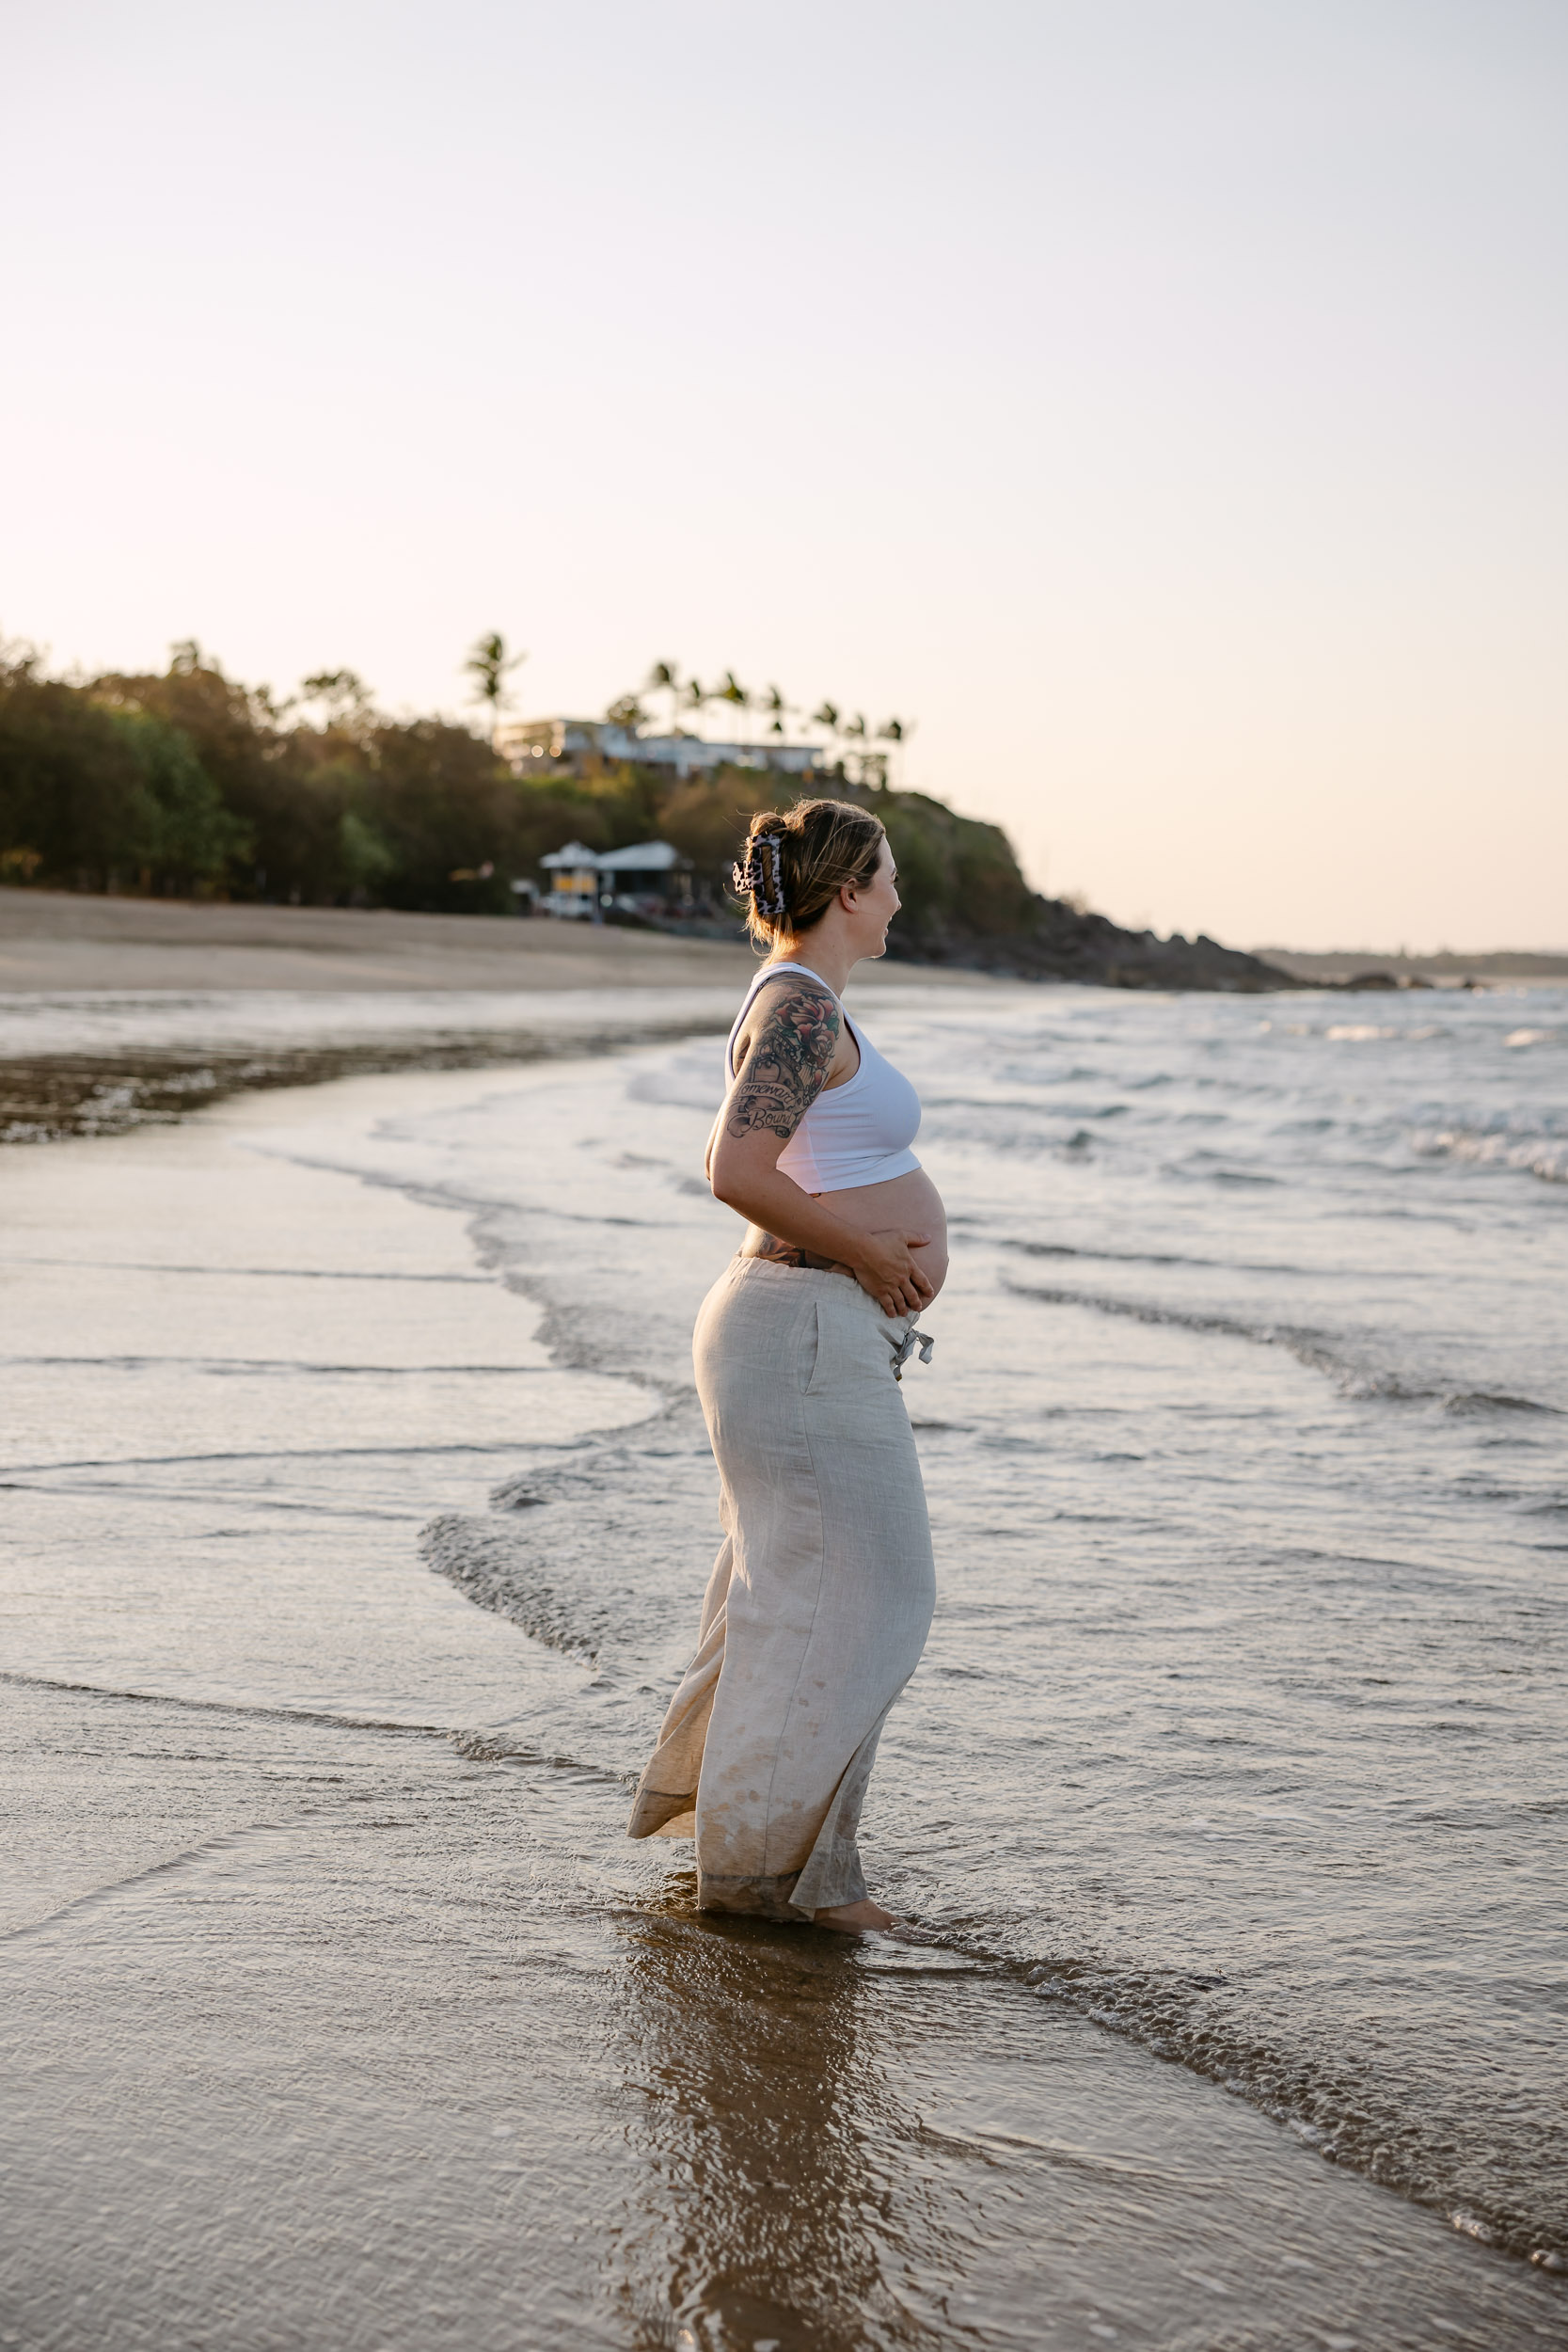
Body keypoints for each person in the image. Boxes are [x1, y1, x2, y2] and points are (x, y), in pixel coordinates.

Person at [627, 798, 945, 1931]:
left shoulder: (801, 1006)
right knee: (868, 1599)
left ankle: (762, 1854)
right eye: (890, 877)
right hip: (800, 1322)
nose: (900, 897)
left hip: (805, 1327)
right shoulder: (801, 1011)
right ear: (847, 892)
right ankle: (780, 1880)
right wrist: (868, 1250)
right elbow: (733, 1164)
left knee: (796, 1595)